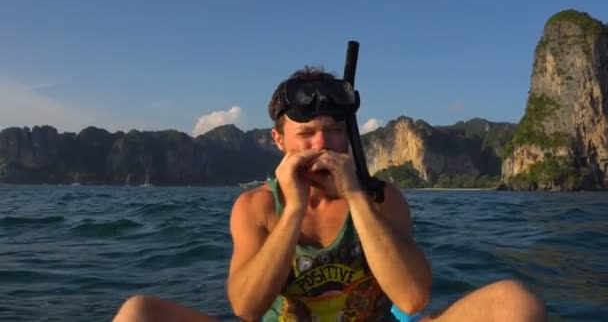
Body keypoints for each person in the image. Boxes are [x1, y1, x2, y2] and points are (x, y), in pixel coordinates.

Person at [112, 66, 547, 322]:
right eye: (306, 134)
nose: (321, 145)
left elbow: (414, 298)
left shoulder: (382, 199)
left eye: (333, 132)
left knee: (514, 302)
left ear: (347, 137)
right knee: (137, 314)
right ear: (278, 141)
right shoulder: (257, 207)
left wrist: (357, 198)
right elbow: (246, 307)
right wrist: (294, 208)